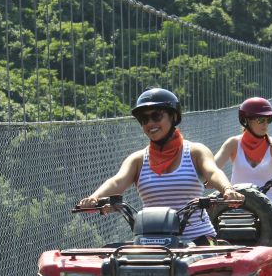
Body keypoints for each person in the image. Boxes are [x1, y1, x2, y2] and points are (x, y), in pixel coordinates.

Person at [78, 87, 243, 244]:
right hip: (151, 242)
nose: (150, 123)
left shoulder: (195, 151)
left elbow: (213, 173)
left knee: (206, 269)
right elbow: (117, 182)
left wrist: (227, 190)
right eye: (144, 119)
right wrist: (94, 198)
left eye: (156, 116)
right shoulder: (137, 160)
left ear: (173, 116)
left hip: (198, 240)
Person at [213, 97, 272, 208]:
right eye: (260, 120)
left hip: (270, 205)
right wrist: (207, 179)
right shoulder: (233, 143)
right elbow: (213, 168)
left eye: (269, 120)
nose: (265, 124)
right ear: (246, 120)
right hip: (237, 204)